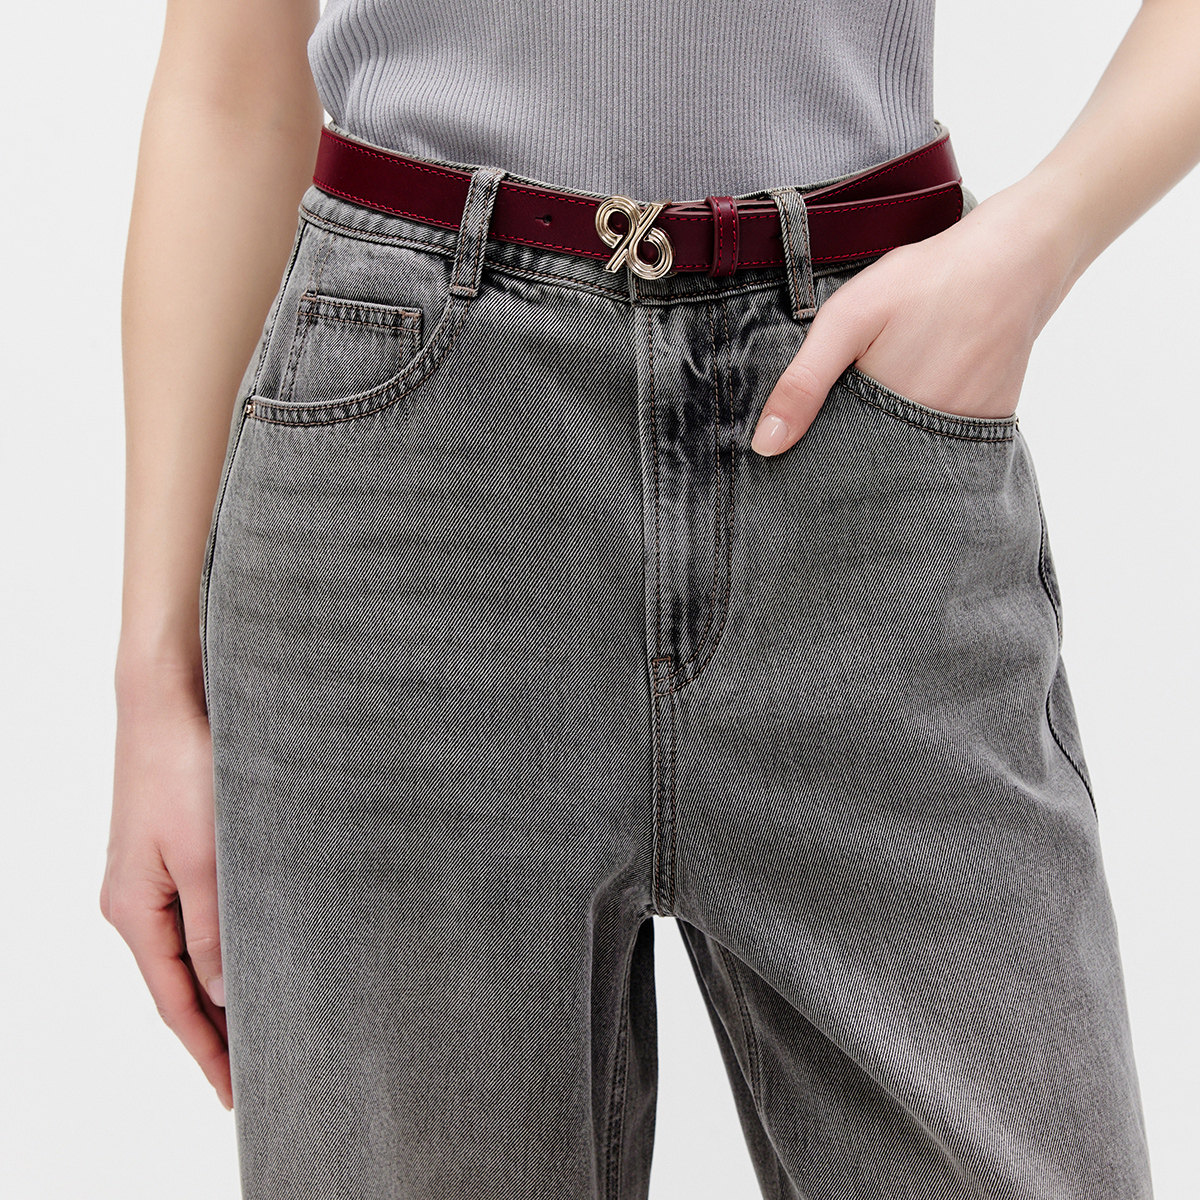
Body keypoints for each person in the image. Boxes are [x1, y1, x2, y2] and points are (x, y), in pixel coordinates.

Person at [101, 1, 1194, 1196]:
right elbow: (230, 83)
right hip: (416, 482)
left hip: (858, 420)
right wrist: (155, 684)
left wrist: (1036, 243)